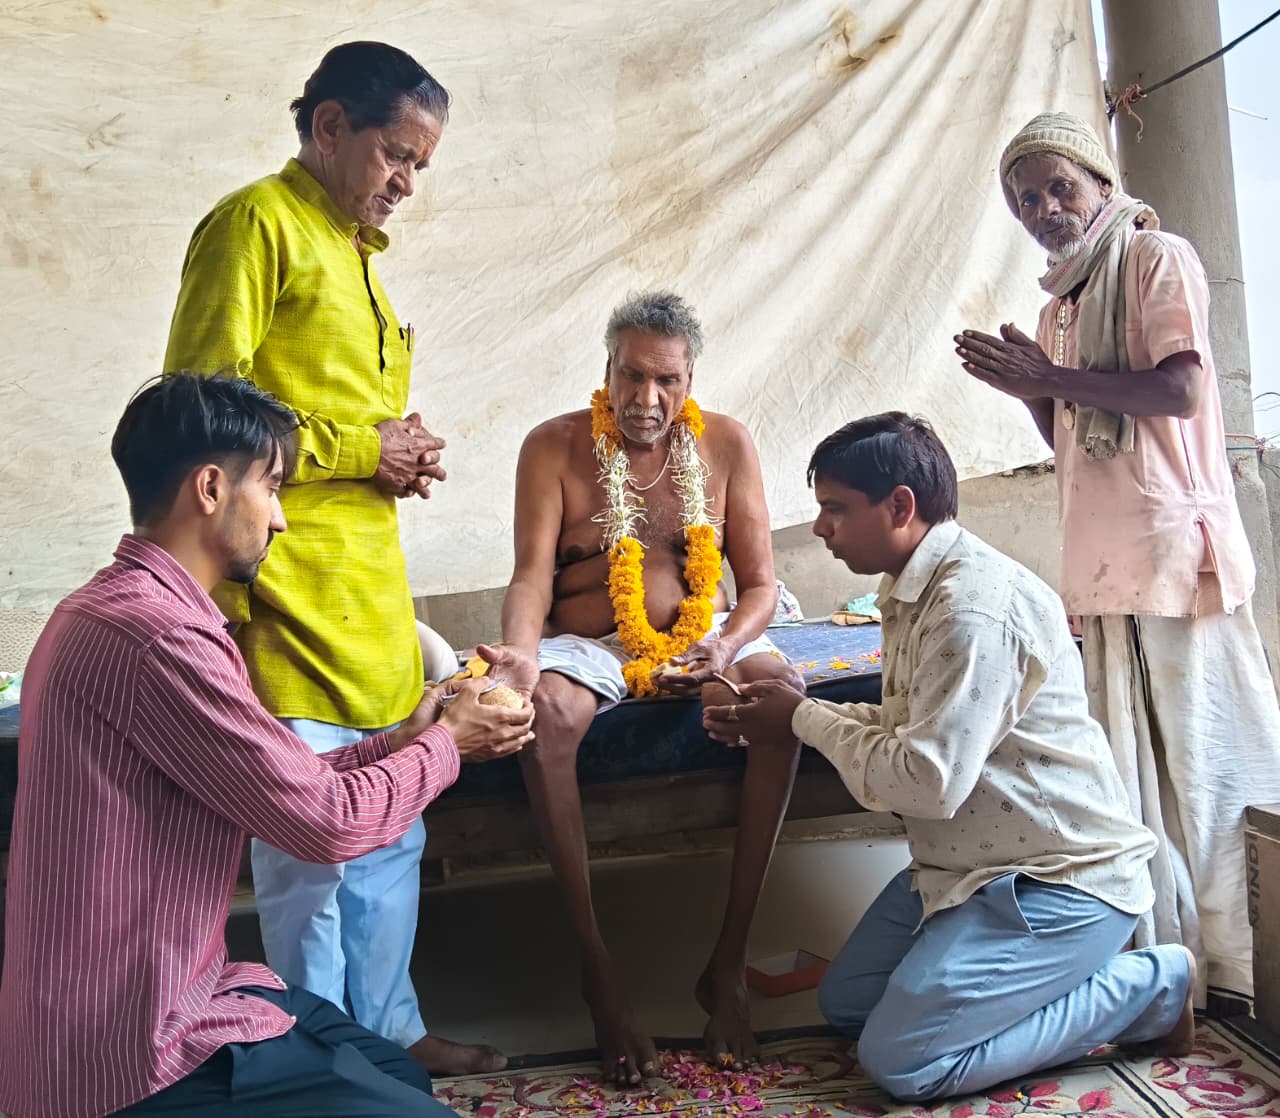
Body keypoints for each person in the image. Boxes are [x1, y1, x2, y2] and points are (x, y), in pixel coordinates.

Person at [0, 374, 534, 1118]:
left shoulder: (109, 608)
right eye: (273, 488)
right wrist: (449, 744)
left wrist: (405, 740)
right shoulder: (163, 639)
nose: (281, 520)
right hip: (127, 1051)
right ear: (213, 489)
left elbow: (273, 785)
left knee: (398, 1074)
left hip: (150, 1000)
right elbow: (326, 826)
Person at [161, 42, 497, 1071]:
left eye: (419, 168)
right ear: (328, 127)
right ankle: (321, 1056)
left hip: (368, 600)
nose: (403, 183)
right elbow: (200, 413)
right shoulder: (255, 225)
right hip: (285, 595)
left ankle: (390, 1035)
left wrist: (399, 448)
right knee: (310, 846)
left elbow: (333, 420)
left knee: (392, 833)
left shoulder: (355, 250)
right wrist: (364, 447)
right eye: (395, 154)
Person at [703, 413, 1194, 1102]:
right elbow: (913, 726)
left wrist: (804, 716)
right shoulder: (913, 586)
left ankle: (1148, 986)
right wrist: (786, 720)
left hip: (1057, 883)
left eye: (835, 510)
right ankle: (1041, 983)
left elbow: (927, 783)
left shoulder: (973, 610)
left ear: (900, 507)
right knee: (849, 1005)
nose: (820, 529)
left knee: (903, 1063)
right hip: (965, 873)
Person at [954, 111, 1280, 1010]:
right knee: (1134, 788)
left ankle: (1257, 968)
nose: (1045, 208)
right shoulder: (1060, 308)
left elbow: (1178, 388)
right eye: (1025, 199)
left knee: (1216, 777)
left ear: (1101, 183)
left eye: (1060, 186)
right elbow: (1072, 439)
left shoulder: (1153, 257)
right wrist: (1036, 384)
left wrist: (1049, 378)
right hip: (1105, 571)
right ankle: (1184, 971)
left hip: (1177, 561)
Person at [498, 290, 803, 1082]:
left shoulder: (727, 445)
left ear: (690, 379)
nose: (647, 399)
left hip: (703, 637)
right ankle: (599, 972)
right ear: (607, 369)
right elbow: (532, 578)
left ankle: (728, 961)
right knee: (547, 712)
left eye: (667, 381)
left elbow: (763, 587)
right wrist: (525, 656)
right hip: (589, 643)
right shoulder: (554, 448)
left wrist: (725, 642)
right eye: (631, 377)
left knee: (782, 701)